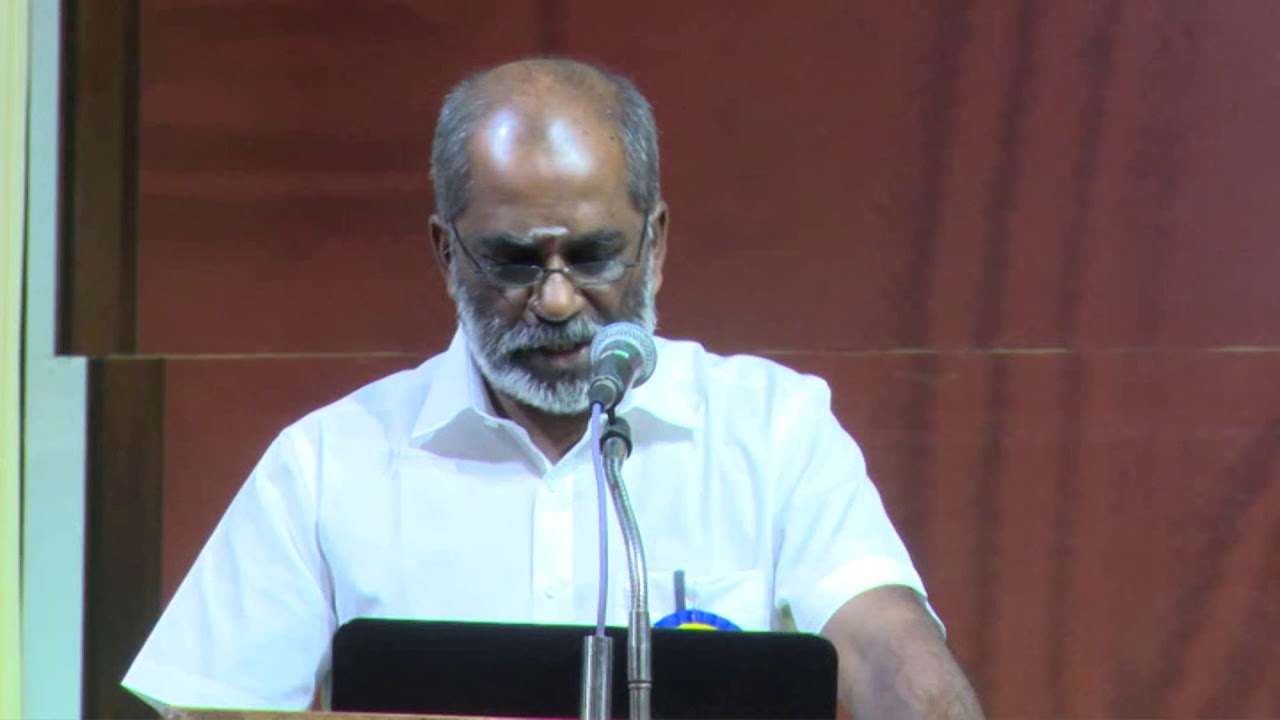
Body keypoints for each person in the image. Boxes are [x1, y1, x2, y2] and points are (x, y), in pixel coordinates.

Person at [123, 58, 983, 719]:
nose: (560, 299)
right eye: (513, 261)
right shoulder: (326, 464)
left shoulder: (772, 430)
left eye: (595, 255)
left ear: (656, 244)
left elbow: (883, 648)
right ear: (445, 252)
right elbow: (205, 706)